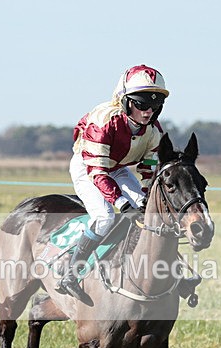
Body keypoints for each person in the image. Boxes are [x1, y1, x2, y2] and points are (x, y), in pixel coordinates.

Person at [56, 64, 169, 301]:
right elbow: (97, 172)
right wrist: (121, 202)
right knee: (105, 216)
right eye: (141, 104)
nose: (148, 111)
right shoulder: (103, 121)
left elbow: (148, 170)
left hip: (117, 168)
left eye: (155, 105)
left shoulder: (154, 131)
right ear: (125, 102)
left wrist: (146, 197)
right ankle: (70, 273)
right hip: (88, 167)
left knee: (150, 213)